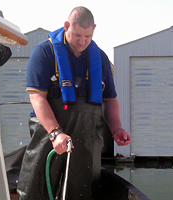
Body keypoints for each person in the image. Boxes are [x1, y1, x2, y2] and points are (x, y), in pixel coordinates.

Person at [17, 6, 131, 200]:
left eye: (87, 36)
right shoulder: (44, 53)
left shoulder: (100, 58)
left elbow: (110, 99)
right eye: (77, 35)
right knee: (37, 191)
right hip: (49, 137)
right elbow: (37, 97)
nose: (82, 41)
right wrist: (55, 133)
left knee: (83, 192)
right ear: (66, 25)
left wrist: (116, 127)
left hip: (87, 141)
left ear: (94, 29)